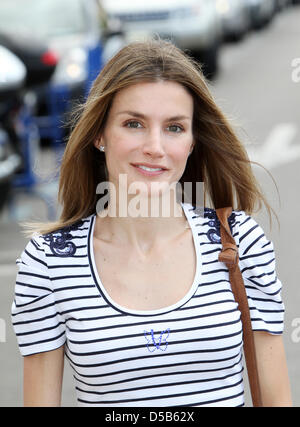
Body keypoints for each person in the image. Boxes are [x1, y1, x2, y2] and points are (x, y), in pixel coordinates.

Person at [11, 38, 292, 407]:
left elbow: (276, 399)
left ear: (192, 142)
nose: (155, 147)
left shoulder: (240, 243)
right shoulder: (48, 262)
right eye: (133, 124)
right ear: (99, 134)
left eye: (174, 128)